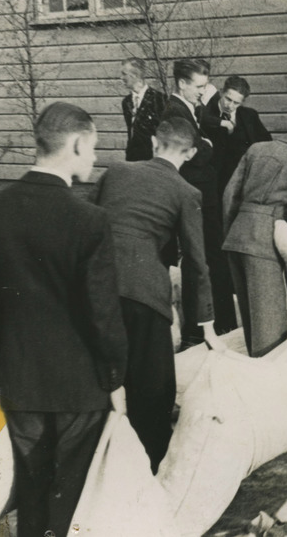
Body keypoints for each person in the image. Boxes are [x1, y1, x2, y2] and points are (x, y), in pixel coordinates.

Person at [0, 102, 128, 537]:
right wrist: (116, 378)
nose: (94, 159)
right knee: (71, 495)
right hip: (81, 386)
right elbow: (102, 312)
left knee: (33, 491)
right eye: (93, 148)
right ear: (76, 144)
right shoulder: (90, 220)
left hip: (20, 382)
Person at [91, 117, 216, 472]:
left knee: (104, 383)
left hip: (96, 288)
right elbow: (196, 263)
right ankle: (150, 476)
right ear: (190, 153)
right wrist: (205, 324)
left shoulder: (115, 172)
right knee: (153, 394)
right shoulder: (186, 192)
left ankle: (101, 474)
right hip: (144, 295)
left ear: (152, 143)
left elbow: (87, 222)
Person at [222, 103, 287, 357]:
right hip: (265, 241)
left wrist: (232, 231)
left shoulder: (256, 149)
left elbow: (229, 195)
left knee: (250, 323)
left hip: (236, 237)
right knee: (269, 332)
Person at [161, 59, 237, 339]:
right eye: (199, 86)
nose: (203, 92)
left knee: (207, 258)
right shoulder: (175, 112)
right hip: (197, 196)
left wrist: (204, 144)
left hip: (203, 194)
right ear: (182, 83)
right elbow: (198, 154)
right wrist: (206, 146)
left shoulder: (191, 109)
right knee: (203, 259)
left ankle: (215, 322)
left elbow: (202, 147)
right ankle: (206, 326)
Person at [204, 75, 272, 198]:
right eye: (228, 99)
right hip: (217, 180)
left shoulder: (250, 115)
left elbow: (266, 141)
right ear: (221, 92)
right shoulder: (207, 114)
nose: (230, 106)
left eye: (236, 103)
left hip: (245, 179)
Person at [120, 57, 167, 162]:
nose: (121, 78)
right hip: (132, 161)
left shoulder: (158, 99)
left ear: (135, 75)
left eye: (124, 74)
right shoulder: (126, 102)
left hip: (151, 161)